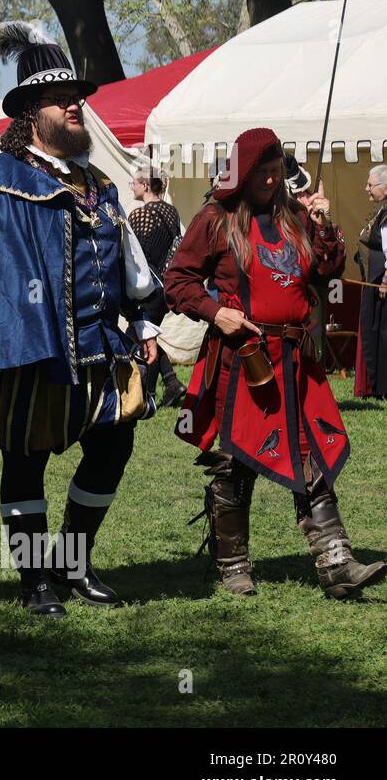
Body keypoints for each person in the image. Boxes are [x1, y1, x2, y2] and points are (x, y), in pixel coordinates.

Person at [0, 23, 162, 617]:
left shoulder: (98, 185)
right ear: (29, 113)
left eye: (79, 98)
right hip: (33, 352)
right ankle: (34, 580)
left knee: (112, 445)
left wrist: (144, 324)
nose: (77, 106)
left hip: (103, 347)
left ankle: (74, 562)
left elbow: (131, 267)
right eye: (62, 99)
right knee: (27, 458)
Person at [165, 127, 384, 598]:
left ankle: (336, 563)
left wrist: (324, 223)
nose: (270, 181)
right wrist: (215, 311)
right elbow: (178, 280)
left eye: (276, 172)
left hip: (297, 359)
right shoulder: (216, 220)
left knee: (312, 455)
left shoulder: (295, 218)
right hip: (244, 360)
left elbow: (327, 270)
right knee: (233, 460)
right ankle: (233, 565)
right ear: (242, 173)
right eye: (261, 173)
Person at [128, 161, 187, 406]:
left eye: (134, 183)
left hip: (148, 289)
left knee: (140, 337)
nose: (131, 187)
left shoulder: (139, 215)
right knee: (146, 335)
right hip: (167, 287)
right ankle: (171, 383)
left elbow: (135, 255)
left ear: (144, 184)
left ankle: (148, 394)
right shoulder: (171, 212)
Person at [284, 154, 341, 370]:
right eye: (300, 195)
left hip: (311, 297)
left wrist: (322, 223)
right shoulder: (283, 222)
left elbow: (329, 266)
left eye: (307, 193)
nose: (308, 199)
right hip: (284, 298)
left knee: (313, 353)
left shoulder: (317, 223)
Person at [355, 164, 387, 398]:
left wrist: (386, 278)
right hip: (374, 284)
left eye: (370, 185)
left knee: (384, 333)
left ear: (385, 188)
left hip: (382, 284)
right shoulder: (381, 210)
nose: (366, 188)